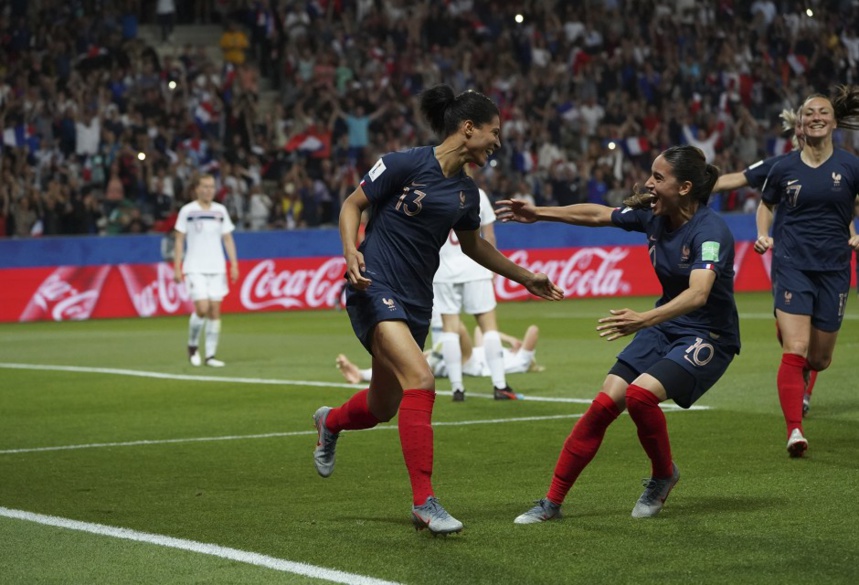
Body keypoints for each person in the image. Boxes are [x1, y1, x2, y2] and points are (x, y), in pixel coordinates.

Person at [312, 84, 564, 536]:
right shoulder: (403, 162)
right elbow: (353, 205)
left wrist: (525, 276)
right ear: (468, 129)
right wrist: (351, 250)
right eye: (494, 132)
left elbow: (475, 249)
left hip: (415, 301)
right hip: (374, 286)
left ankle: (329, 421)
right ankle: (424, 503)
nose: (498, 143)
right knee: (422, 380)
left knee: (383, 405)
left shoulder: (466, 194)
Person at [496, 145, 740, 523]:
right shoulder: (654, 216)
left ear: (686, 187)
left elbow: (699, 294)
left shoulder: (711, 232)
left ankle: (663, 475)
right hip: (665, 325)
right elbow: (596, 214)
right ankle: (552, 503)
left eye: (658, 178)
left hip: (708, 334)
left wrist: (643, 320)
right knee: (603, 406)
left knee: (640, 396)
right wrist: (538, 212)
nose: (648, 183)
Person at [714, 86, 859, 455]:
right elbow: (766, 204)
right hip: (792, 263)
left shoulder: (850, 166)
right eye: (809, 112)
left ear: (834, 121)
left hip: (835, 268)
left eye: (823, 112)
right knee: (795, 347)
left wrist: (855, 233)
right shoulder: (782, 167)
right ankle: (794, 430)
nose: (816, 117)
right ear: (799, 122)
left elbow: (850, 206)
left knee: (819, 358)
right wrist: (762, 234)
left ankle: (799, 351)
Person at [433, 165, 517, 402]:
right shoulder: (477, 194)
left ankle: (457, 389)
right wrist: (493, 266)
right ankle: (500, 385)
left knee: (449, 328)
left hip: (443, 271)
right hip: (475, 267)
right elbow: (488, 236)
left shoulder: (436, 194)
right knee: (488, 326)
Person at [335, 323, 543, 385]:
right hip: (467, 358)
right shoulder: (499, 351)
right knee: (420, 362)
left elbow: (533, 329)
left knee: (457, 327)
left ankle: (362, 374)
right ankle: (361, 375)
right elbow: (482, 330)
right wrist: (507, 340)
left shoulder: (522, 361)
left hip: (473, 365)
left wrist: (519, 345)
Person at [173, 174, 239, 367]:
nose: (208, 190)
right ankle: (192, 345)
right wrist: (177, 267)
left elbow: (227, 238)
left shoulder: (220, 211)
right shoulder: (187, 211)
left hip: (217, 267)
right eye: (204, 187)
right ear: (196, 189)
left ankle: (210, 355)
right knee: (202, 308)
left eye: (211, 187)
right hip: (194, 267)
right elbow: (179, 239)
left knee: (215, 311)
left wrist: (234, 264)